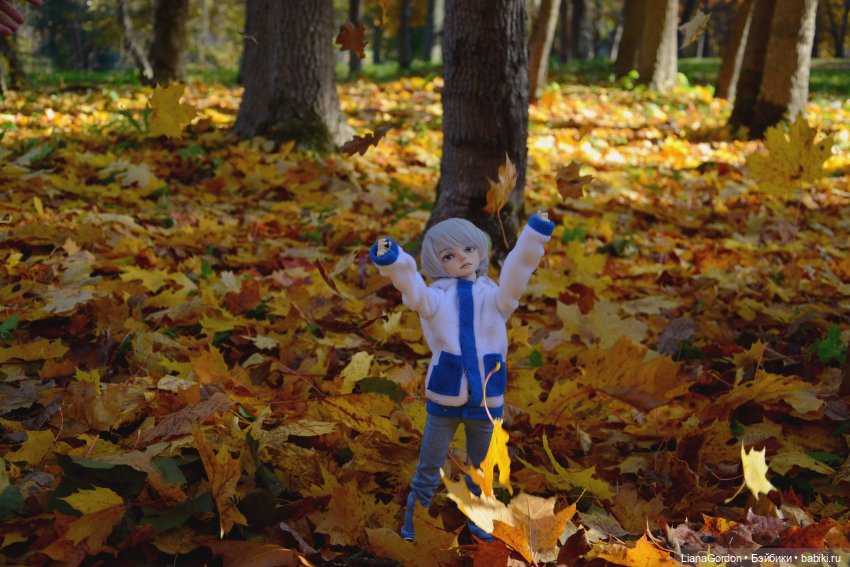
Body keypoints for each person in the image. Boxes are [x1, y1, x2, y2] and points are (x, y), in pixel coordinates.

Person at [370, 211, 555, 542]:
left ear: (480, 250)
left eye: (469, 250)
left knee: (482, 468)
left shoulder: (495, 297)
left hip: (486, 396)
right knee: (429, 467)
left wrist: (533, 235)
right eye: (449, 256)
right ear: (438, 263)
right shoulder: (436, 298)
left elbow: (517, 271)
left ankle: (479, 523)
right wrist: (396, 261)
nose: (462, 259)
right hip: (445, 395)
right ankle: (414, 527)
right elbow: (414, 290)